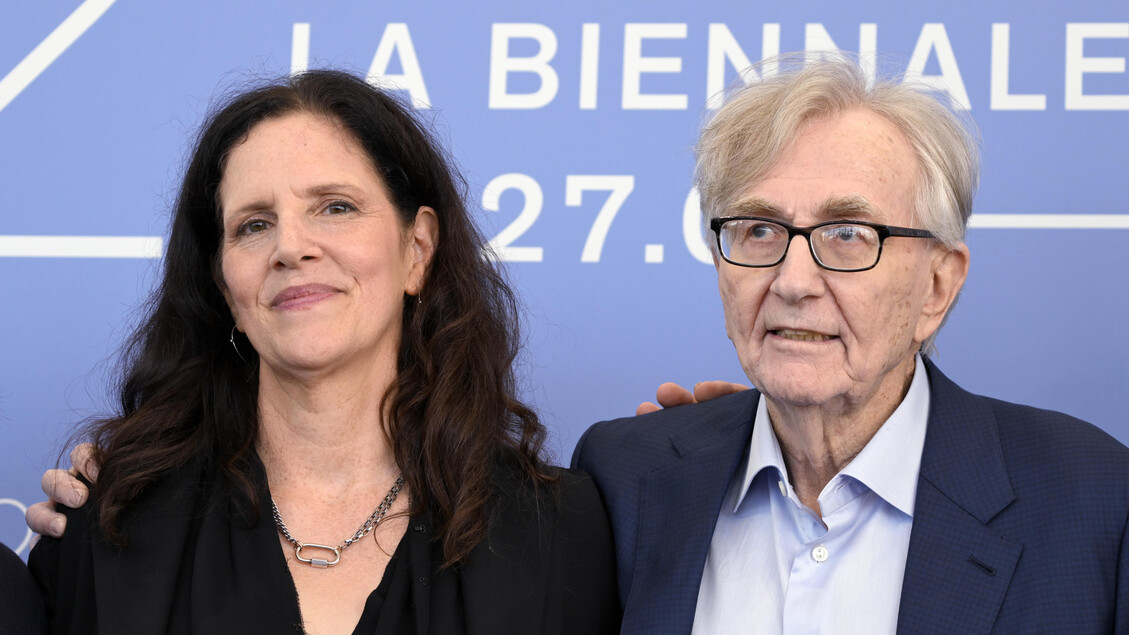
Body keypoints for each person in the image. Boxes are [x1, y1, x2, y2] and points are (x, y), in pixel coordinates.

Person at [26, 69, 619, 634]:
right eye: (254, 225)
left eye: (335, 207)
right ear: (225, 288)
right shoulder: (112, 521)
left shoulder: (560, 530)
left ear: (417, 249)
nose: (290, 247)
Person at [573, 55, 1129, 633]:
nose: (793, 282)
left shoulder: (1093, 499)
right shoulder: (624, 477)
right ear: (720, 265)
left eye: (847, 234)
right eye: (759, 229)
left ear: (936, 286)